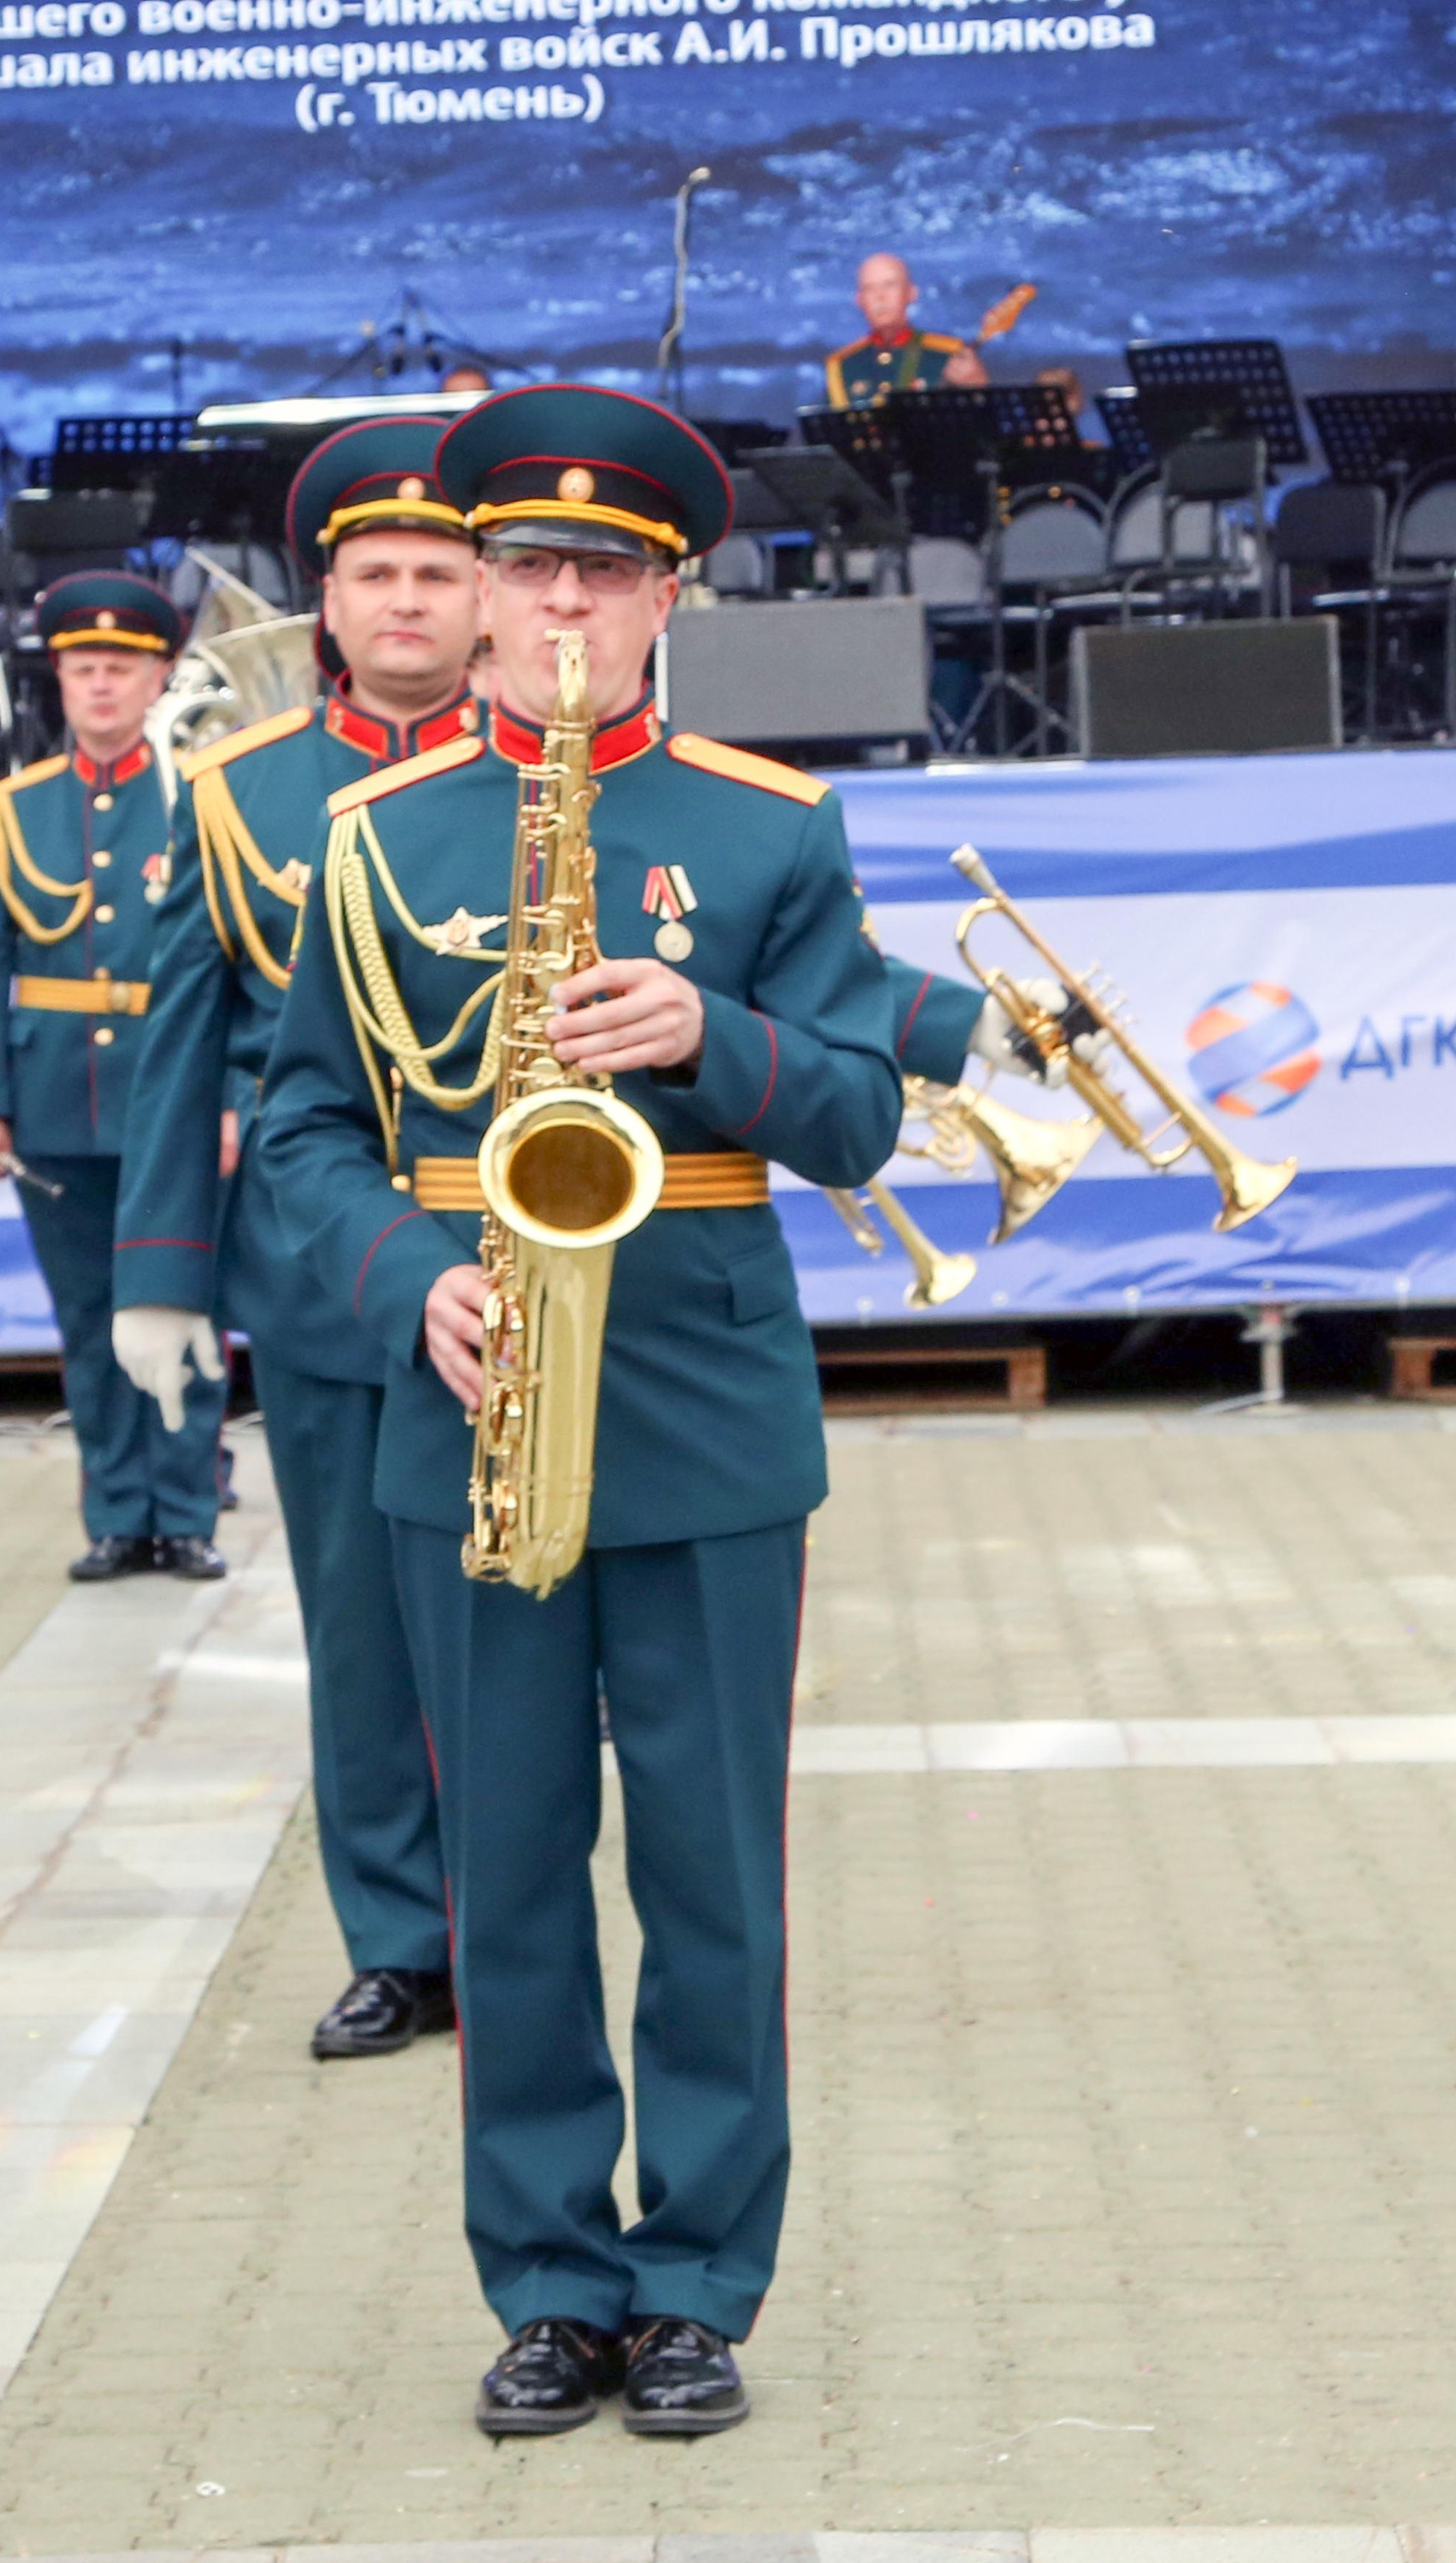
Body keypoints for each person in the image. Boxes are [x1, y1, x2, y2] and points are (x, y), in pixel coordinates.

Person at [259, 384, 905, 2438]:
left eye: (601, 576)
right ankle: (548, 2278)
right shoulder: (370, 837)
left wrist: (712, 1031)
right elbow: (302, 1132)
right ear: (475, 593)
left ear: (662, 602)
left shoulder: (770, 824)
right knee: (510, 1876)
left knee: (713, 1876)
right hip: (470, 1396)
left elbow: (863, 1111)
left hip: (702, 1402)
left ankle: (698, 2278)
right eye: (526, 568)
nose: (559, 607)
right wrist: (409, 1281)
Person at [111, 420, 481, 2060]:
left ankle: (515, 1923)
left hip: (524, 1250)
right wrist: (156, 1276)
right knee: (359, 1620)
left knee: (522, 1618)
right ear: (323, 602)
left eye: (436, 571)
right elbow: (181, 1040)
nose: (404, 599)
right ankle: (402, 1940)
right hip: (324, 1265)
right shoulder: (236, 791)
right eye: (373, 572)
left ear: (484, 597)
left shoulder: (559, 773)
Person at [0, 572, 229, 1583]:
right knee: (87, 1320)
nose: (103, 686)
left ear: (161, 679)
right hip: (55, 1106)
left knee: (184, 1306)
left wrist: (232, 1101)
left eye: (122, 667)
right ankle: (117, 1515)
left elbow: (235, 966)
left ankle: (187, 1514)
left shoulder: (202, 798)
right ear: (59, 681)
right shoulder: (11, 810)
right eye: (84, 669)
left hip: (177, 1099)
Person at [824, 251, 986, 409]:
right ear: (859, 300)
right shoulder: (842, 367)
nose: (880, 297)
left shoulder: (949, 355)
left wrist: (978, 387)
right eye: (870, 288)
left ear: (911, 293)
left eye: (890, 285)